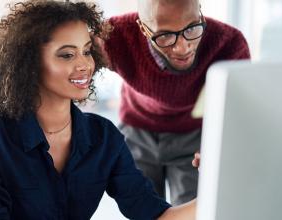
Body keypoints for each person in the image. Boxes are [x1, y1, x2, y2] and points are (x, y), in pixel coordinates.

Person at [0, 0, 197, 219]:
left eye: (87, 51)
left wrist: (221, 180)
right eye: (67, 55)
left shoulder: (103, 137)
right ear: (29, 64)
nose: (84, 64)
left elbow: (154, 214)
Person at [97, 0, 250, 205]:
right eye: (165, 35)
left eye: (192, 28)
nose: (182, 47)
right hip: (137, 131)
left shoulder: (229, 43)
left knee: (192, 208)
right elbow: (69, 60)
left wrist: (220, 144)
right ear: (143, 28)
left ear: (200, 14)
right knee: (143, 208)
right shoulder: (115, 36)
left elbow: (240, 105)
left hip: (193, 135)